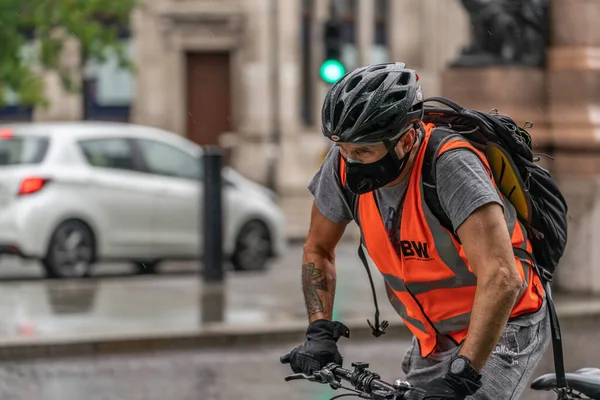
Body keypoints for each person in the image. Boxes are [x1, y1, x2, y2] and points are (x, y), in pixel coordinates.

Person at [282, 62, 551, 400]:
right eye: (344, 150)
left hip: (507, 323)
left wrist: (462, 377)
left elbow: (502, 277)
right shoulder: (341, 164)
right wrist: (319, 330)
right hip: (433, 334)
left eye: (363, 151)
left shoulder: (451, 166)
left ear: (406, 139)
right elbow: (318, 249)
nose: (350, 162)